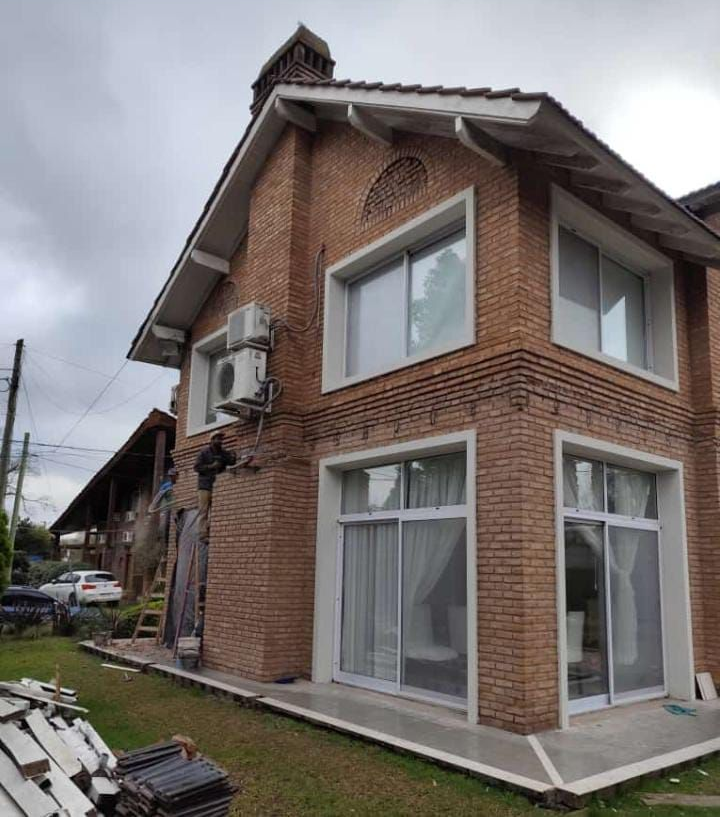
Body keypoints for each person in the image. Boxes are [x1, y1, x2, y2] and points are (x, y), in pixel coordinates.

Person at [194, 432, 236, 541]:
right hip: (204, 486)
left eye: (221, 439)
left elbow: (231, 461)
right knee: (203, 510)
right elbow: (196, 467)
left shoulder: (223, 453)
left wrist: (234, 455)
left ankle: (211, 531)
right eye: (217, 439)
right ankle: (202, 535)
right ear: (212, 440)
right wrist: (211, 466)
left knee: (215, 510)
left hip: (217, 486)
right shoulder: (204, 452)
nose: (220, 441)